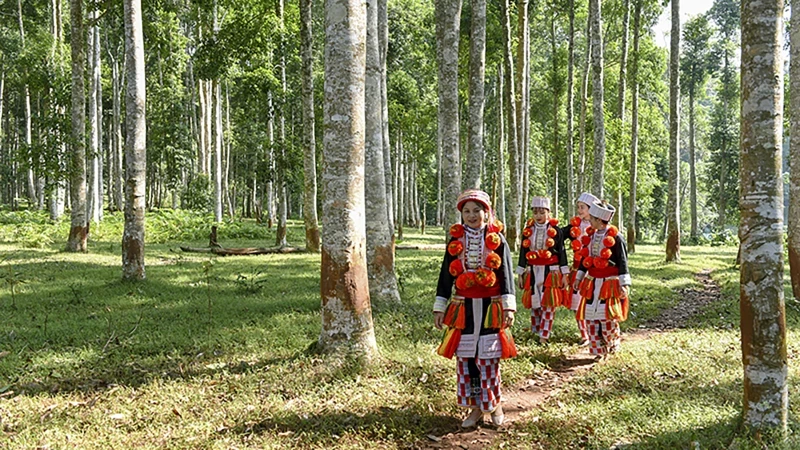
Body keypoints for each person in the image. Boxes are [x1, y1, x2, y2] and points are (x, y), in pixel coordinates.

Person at [433, 189, 517, 428]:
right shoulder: (455, 242)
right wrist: (440, 306)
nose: (472, 216)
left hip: (491, 306)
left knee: (488, 359)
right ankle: (474, 408)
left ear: (486, 212)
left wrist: (509, 307)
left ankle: (494, 405)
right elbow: (445, 276)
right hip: (463, 308)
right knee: (467, 359)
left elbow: (506, 274)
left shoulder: (498, 240)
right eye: (466, 211)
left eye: (476, 210)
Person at [573, 200, 631, 358]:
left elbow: (622, 261)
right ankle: (598, 351)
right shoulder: (590, 236)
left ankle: (612, 344)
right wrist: (579, 278)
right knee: (591, 317)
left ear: (599, 220)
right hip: (592, 282)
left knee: (607, 317)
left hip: (609, 283)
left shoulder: (616, 238)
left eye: (591, 218)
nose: (589, 221)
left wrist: (624, 284)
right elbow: (586, 260)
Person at [516, 196, 570, 344]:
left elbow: (562, 253)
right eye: (535, 213)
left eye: (542, 212)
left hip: (551, 271)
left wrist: (565, 274)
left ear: (549, 213)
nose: (538, 216)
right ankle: (535, 332)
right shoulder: (528, 230)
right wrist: (520, 273)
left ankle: (544, 336)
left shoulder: (556, 231)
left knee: (548, 304)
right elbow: (523, 252)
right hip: (532, 270)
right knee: (535, 303)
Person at [562, 192, 600, 346]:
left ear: (591, 209)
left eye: (582, 207)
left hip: (593, 270)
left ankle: (596, 334)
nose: (579, 210)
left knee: (592, 302)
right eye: (578, 207)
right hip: (577, 268)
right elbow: (560, 235)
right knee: (576, 302)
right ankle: (584, 334)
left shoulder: (597, 226)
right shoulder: (574, 225)